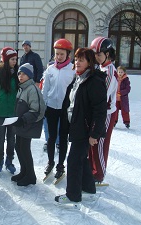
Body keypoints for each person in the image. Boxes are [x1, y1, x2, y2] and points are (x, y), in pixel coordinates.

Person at [55, 48, 107, 208]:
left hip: (85, 130)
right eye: (76, 59)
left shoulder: (94, 82)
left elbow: (100, 111)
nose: (77, 62)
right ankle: (89, 188)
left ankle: (73, 195)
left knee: (73, 160)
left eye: (81, 60)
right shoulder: (78, 79)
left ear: (90, 63)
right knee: (81, 158)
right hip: (76, 126)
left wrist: (94, 133)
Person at [41, 39, 75, 179]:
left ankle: (61, 165)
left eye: (61, 54)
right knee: (51, 138)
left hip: (65, 109)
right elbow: (45, 89)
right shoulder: (50, 69)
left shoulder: (72, 70)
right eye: (57, 54)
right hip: (51, 108)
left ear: (68, 54)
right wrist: (44, 106)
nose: (59, 56)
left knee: (62, 139)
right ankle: (50, 161)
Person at [11, 63, 46, 186]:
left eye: (24, 74)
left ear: (29, 76)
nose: (21, 76)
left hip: (29, 124)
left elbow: (37, 110)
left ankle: (30, 176)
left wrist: (24, 119)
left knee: (24, 149)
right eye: (19, 73)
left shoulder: (32, 89)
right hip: (21, 124)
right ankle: (24, 172)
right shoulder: (22, 88)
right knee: (18, 147)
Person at [89, 37, 118, 183]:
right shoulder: (101, 68)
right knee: (93, 143)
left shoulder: (110, 71)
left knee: (100, 143)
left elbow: (103, 95)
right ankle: (91, 169)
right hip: (98, 112)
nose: (97, 58)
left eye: (99, 55)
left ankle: (99, 174)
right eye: (95, 55)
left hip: (106, 113)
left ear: (107, 54)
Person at [0, 47, 19, 175]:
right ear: (6, 60)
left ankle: (9, 161)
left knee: (11, 138)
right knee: (1, 137)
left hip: (13, 112)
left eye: (16, 59)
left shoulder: (18, 72)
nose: (15, 62)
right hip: (0, 111)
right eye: (12, 59)